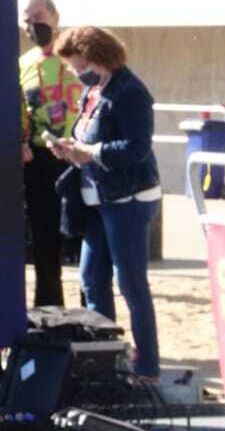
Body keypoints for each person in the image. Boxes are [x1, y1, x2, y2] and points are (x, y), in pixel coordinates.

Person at [49, 25, 159, 380]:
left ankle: (148, 366)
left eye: (77, 65)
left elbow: (136, 147)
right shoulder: (96, 91)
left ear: (97, 58)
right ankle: (106, 362)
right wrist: (70, 149)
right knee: (91, 279)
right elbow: (90, 139)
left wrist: (90, 153)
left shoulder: (130, 91)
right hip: (99, 198)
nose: (74, 72)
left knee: (130, 283)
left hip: (128, 198)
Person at [18, 0, 80, 308]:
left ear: (55, 17)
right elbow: (19, 108)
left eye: (39, 17)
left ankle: (90, 312)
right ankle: (49, 308)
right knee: (43, 238)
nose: (33, 26)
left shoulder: (76, 54)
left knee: (84, 240)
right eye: (27, 20)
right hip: (40, 160)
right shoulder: (24, 63)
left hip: (79, 157)